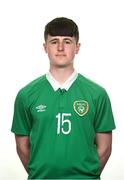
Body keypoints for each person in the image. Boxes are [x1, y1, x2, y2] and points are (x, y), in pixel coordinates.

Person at [11, 17, 116, 179]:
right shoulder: (26, 95)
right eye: (54, 42)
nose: (60, 47)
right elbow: (22, 146)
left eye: (67, 41)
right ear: (45, 47)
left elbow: (105, 148)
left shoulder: (97, 94)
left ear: (77, 47)